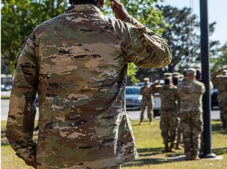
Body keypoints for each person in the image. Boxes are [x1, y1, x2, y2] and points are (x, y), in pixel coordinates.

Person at [6, 0, 172, 168]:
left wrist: (24, 147)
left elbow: (22, 91)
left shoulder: (41, 33)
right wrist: (128, 19)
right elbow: (162, 55)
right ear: (102, 1)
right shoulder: (118, 30)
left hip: (55, 154)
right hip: (105, 154)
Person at [178, 68, 205, 160]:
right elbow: (204, 91)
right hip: (196, 111)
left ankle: (188, 154)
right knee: (196, 133)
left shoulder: (181, 86)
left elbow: (178, 93)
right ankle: (195, 154)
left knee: (186, 133)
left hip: (184, 111)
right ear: (195, 75)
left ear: (186, 75)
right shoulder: (200, 85)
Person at [152, 73, 180, 153]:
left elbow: (179, 100)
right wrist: (156, 83)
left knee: (173, 130)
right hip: (164, 112)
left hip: (173, 111)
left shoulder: (175, 89)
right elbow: (151, 89)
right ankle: (166, 146)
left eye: (169, 80)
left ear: (171, 80)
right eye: (166, 80)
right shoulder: (161, 88)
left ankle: (172, 146)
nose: (167, 81)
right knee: (164, 130)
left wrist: (179, 110)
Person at [172, 72, 183, 150]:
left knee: (179, 128)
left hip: (179, 110)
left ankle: (178, 143)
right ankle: (174, 144)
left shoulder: (180, 88)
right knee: (173, 128)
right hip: (173, 111)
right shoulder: (172, 89)